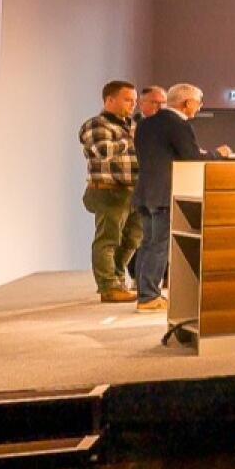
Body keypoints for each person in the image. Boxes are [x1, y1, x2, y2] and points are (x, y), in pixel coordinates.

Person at [134, 83, 231, 312]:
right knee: (158, 246)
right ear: (187, 103)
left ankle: (145, 293)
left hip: (145, 192)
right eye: (198, 102)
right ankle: (148, 297)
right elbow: (193, 159)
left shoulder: (145, 124)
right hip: (165, 194)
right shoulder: (178, 124)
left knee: (147, 244)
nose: (199, 107)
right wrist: (218, 154)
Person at [80, 80, 143, 303]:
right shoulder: (96, 124)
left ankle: (117, 279)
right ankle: (107, 286)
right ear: (109, 100)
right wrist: (130, 141)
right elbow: (102, 150)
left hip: (133, 191)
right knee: (108, 239)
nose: (133, 105)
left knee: (133, 239)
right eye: (128, 99)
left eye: (135, 100)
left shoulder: (132, 125)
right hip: (109, 191)